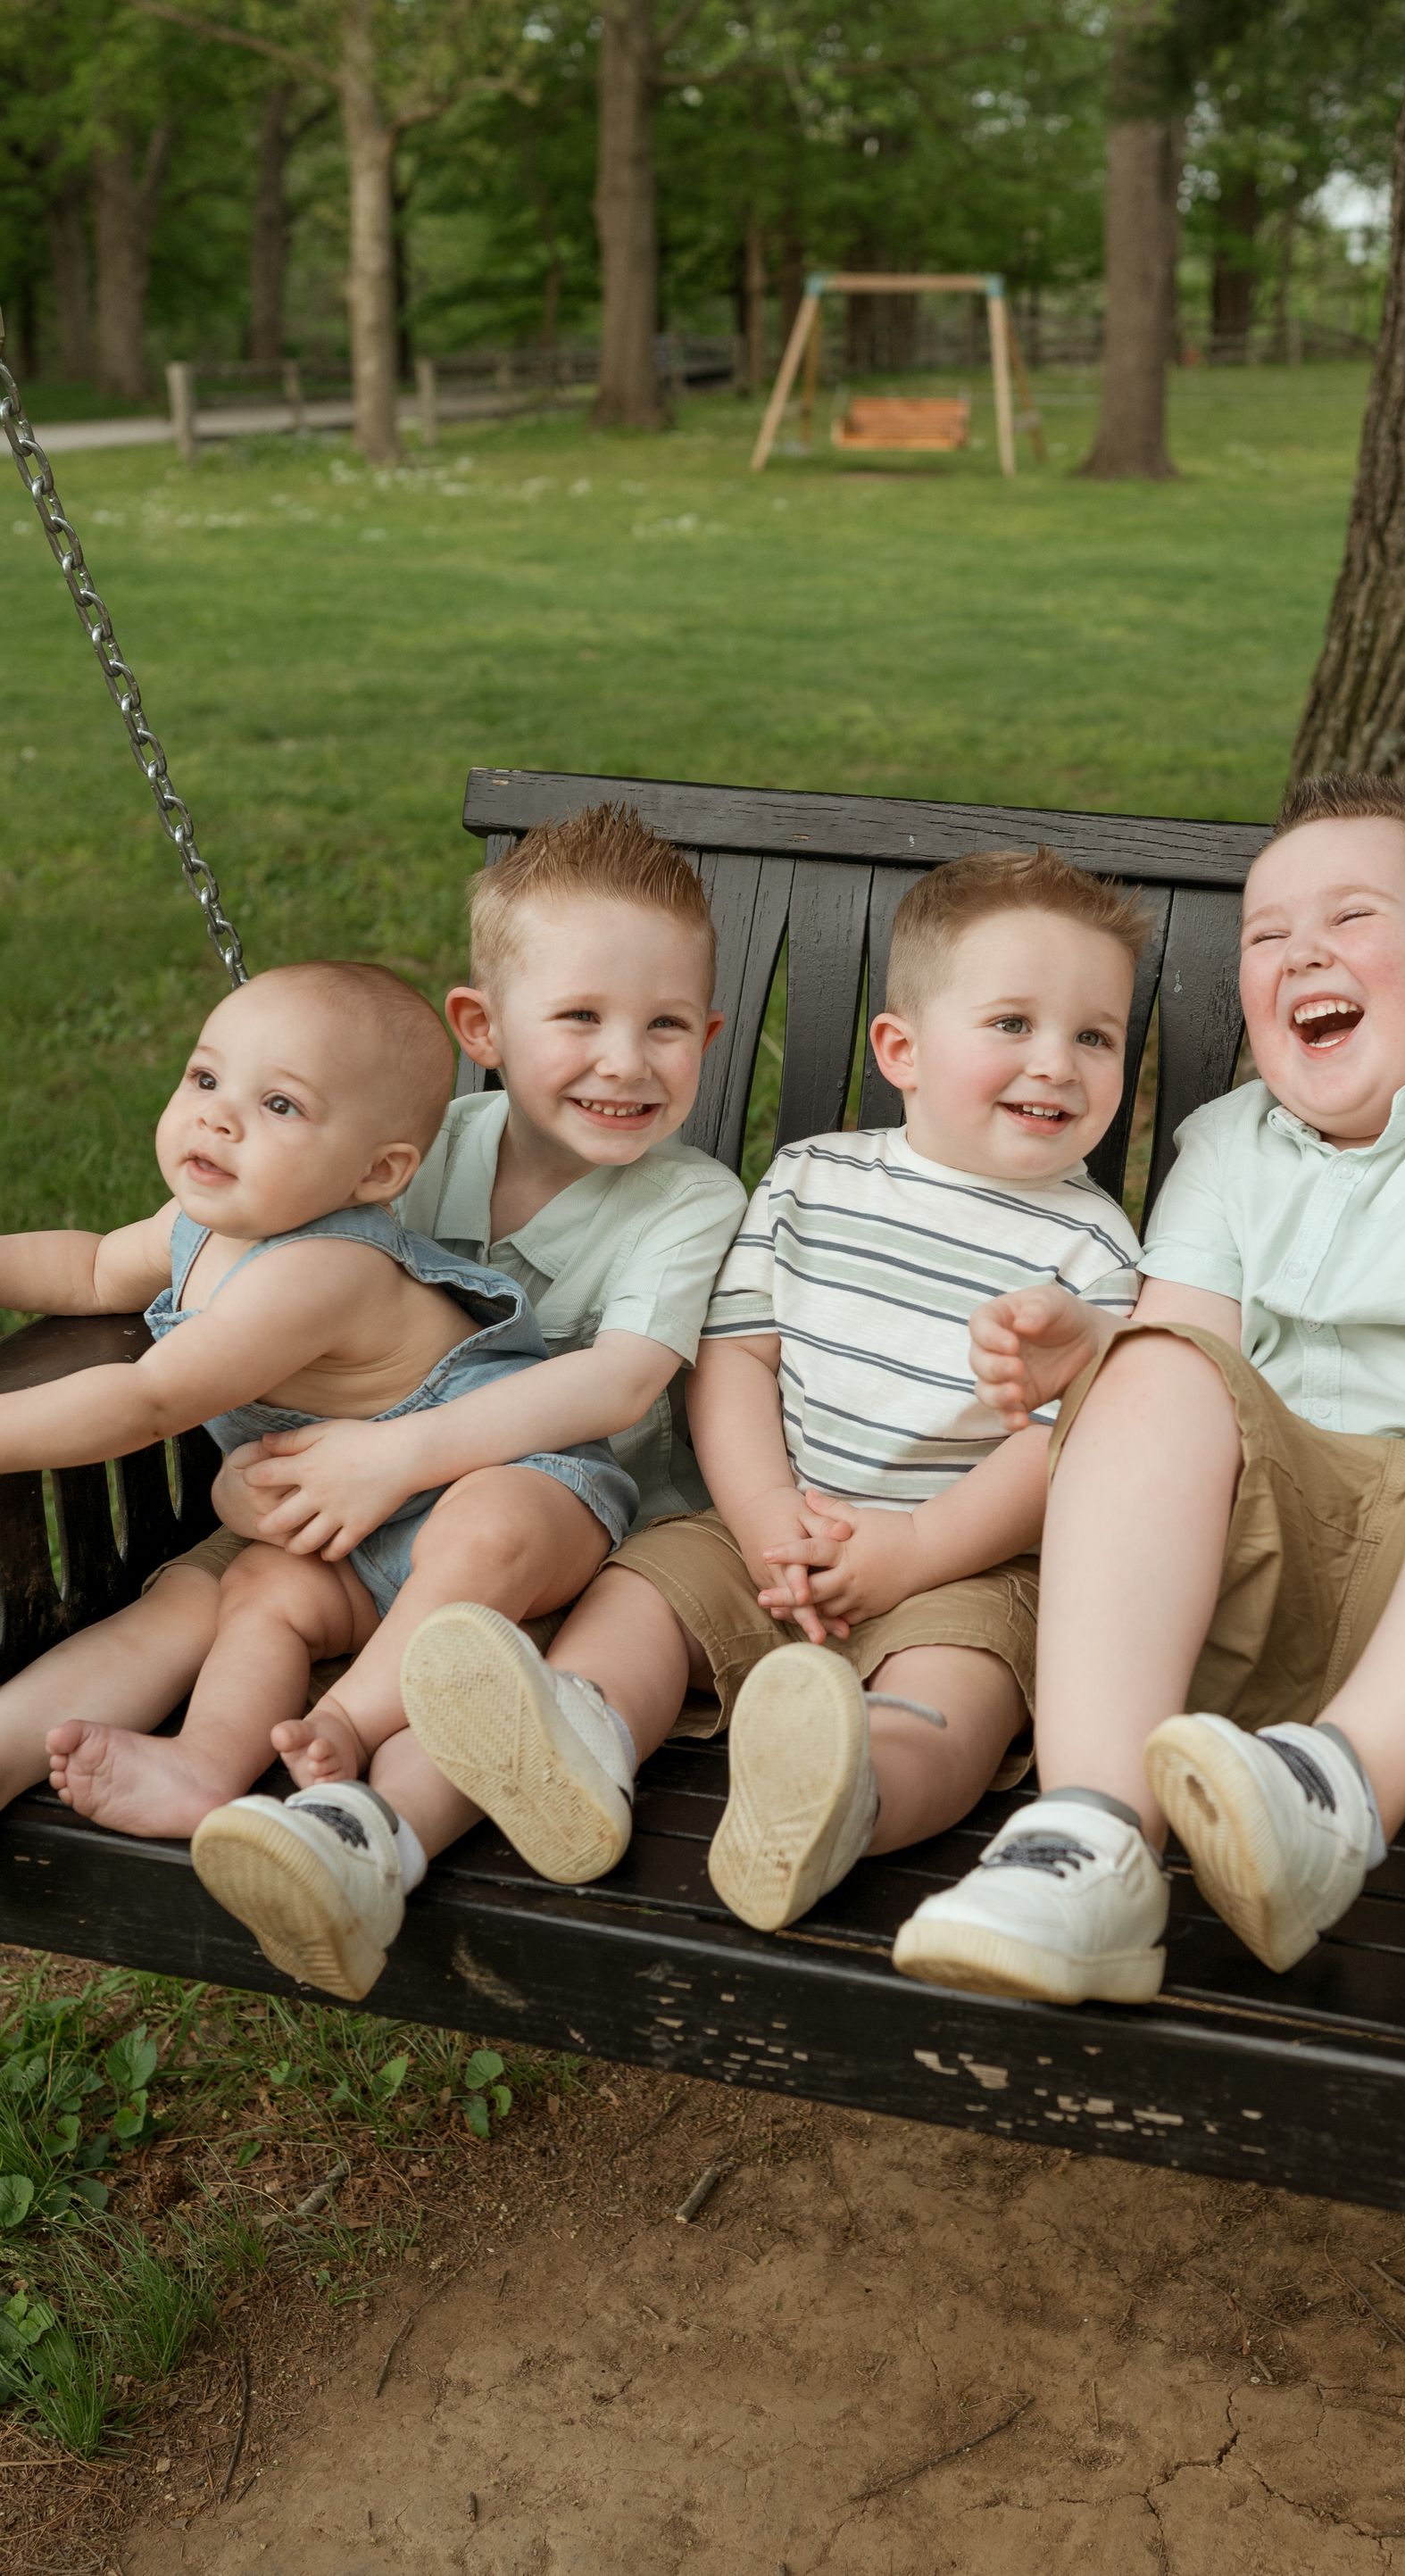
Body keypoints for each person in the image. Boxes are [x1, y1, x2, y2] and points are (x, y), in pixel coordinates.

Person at [892, 775, 1405, 2007]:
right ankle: (1091, 1841)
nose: (1299, 952)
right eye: (1266, 935)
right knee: (1159, 1364)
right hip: (1247, 1630)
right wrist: (1099, 1359)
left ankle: (1341, 1790)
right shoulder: (1226, 1146)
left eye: (1352, 919)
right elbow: (1185, 1368)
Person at [396, 845, 1149, 1935]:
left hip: (965, 1559)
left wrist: (915, 1553)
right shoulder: (812, 1181)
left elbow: (1061, 1443)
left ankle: (840, 1800)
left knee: (956, 1697)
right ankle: (579, 1740)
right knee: (642, 1598)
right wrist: (759, 1519)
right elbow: (739, 1358)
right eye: (1012, 1025)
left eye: (1096, 1036)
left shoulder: (1098, 1250)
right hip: (768, 1524)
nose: (1059, 1064)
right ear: (901, 1048)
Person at [183, 805, 749, 1995]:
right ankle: (356, 1837)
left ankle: (346, 1777)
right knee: (294, 1600)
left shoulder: (689, 1197)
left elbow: (623, 1376)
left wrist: (402, 1457)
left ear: (706, 1034)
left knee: (488, 1629)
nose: (625, 1060)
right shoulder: (409, 1151)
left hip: (598, 1539)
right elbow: (261, 1299)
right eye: (581, 1017)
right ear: (482, 1029)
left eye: (663, 1026)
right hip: (390, 1543)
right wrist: (237, 1465)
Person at [0, 962, 635, 1896]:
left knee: (483, 1526)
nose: (219, 1117)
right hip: (352, 1537)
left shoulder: (322, 1269)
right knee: (257, 1589)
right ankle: (204, 1765)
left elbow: (147, 1403)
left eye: (281, 1106)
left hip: (522, 1486)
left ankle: (350, 1718)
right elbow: (92, 1270)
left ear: (376, 1174)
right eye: (205, 1080)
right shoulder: (199, 1225)